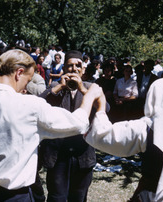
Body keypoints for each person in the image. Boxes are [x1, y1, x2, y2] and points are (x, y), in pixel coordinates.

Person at [0, 49, 102, 201]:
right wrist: (90, 95)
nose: (25, 89)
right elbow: (79, 124)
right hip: (15, 196)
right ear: (19, 73)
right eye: (27, 81)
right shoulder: (29, 105)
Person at [39, 50, 99, 202]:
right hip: (58, 154)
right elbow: (37, 106)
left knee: (78, 198)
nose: (74, 69)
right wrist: (59, 87)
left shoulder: (90, 88)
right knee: (56, 198)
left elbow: (106, 109)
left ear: (83, 69)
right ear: (64, 68)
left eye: (78, 66)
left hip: (83, 154)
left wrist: (82, 89)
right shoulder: (55, 86)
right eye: (70, 66)